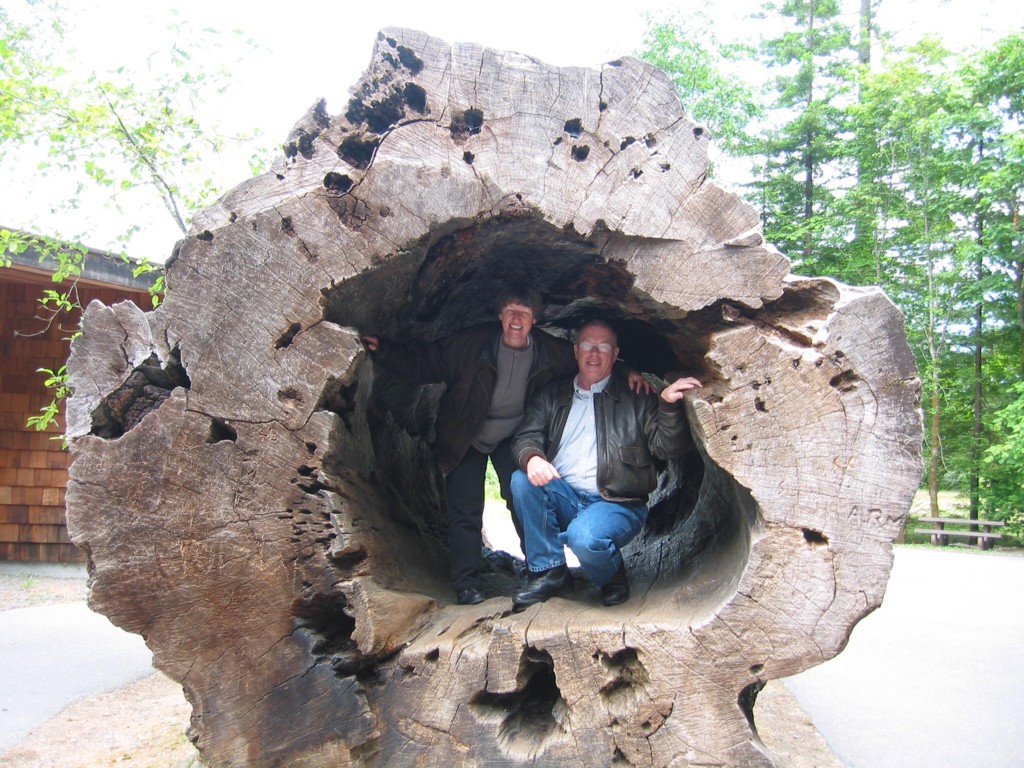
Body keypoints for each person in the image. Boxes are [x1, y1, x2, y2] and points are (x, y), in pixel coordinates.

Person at [361, 287, 651, 606]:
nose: (516, 318)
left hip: (512, 437)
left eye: (524, 313)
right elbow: (427, 362)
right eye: (511, 310)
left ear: (534, 320)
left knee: (522, 495)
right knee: (465, 510)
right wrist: (386, 351)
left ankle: (543, 571)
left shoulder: (548, 350)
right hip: (465, 435)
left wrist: (628, 371)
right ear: (500, 315)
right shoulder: (472, 343)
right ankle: (467, 583)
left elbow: (592, 359)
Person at [510, 319, 702, 608]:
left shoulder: (637, 398)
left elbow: (668, 448)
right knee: (521, 479)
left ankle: (611, 574)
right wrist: (533, 457)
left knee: (584, 538)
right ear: (575, 350)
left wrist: (668, 405)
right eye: (587, 345)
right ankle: (549, 571)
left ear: (616, 354)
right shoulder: (552, 394)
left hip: (618, 502)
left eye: (603, 347)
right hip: (566, 495)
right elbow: (526, 436)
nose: (594, 354)